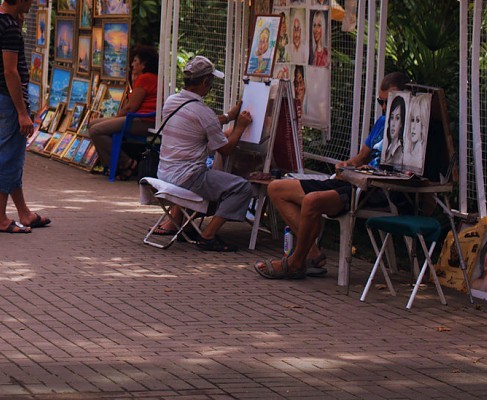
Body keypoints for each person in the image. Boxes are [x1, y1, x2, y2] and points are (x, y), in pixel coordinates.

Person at [255, 71, 410, 279]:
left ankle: (295, 262)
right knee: (276, 188)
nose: (384, 108)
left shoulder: (412, 130)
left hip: (373, 190)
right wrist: (346, 165)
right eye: (381, 102)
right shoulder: (383, 121)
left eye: (389, 102)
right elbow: (361, 157)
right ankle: (312, 253)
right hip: (353, 179)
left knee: (312, 201)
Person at [151, 55, 253, 252]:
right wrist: (239, 127)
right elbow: (225, 149)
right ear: (206, 82)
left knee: (215, 176)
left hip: (165, 172)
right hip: (189, 177)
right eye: (211, 82)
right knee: (241, 188)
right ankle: (208, 235)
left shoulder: (172, 101)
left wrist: (229, 117)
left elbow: (199, 122)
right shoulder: (202, 112)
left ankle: (187, 226)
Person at [0, 0, 50, 234]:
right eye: (31, 0)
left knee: (9, 156)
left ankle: (24, 212)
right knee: (9, 160)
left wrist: (16, 22)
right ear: (20, 0)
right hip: (9, 99)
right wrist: (23, 113)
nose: (32, 5)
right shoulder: (10, 29)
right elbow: (11, 71)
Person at [86, 45, 160, 175]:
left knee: (96, 130)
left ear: (144, 64)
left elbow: (130, 107)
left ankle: (126, 164)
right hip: (141, 119)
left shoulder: (146, 78)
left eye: (135, 61)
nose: (132, 65)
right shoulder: (149, 78)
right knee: (92, 124)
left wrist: (116, 119)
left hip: (143, 121)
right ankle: (114, 165)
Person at [385, 93, 408, 167]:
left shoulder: (400, 151)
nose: (393, 124)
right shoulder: (388, 148)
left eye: (397, 118)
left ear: (401, 123)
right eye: (392, 117)